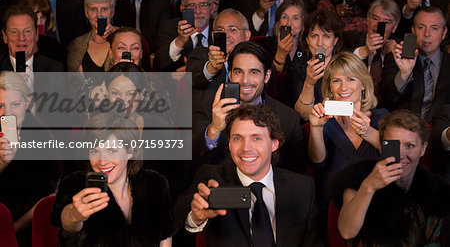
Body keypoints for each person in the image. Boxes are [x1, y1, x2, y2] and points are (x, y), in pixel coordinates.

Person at [175, 104, 323, 247]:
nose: (246, 148)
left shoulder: (302, 188)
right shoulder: (213, 178)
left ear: (274, 144)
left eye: (256, 138)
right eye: (237, 138)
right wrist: (196, 218)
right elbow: (177, 219)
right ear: (230, 145)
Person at [328, 109, 450, 246]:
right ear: (381, 145)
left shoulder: (436, 193)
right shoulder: (356, 178)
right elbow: (347, 231)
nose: (401, 154)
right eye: (393, 145)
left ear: (423, 149)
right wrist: (368, 187)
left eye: (409, 146)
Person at [51, 112, 174, 246]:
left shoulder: (154, 184)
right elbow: (66, 220)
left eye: (112, 151)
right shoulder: (75, 184)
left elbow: (165, 236)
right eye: (94, 151)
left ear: (130, 151)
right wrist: (75, 215)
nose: (102, 162)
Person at [193, 41, 307, 175]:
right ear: (229, 75)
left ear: (267, 76)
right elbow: (192, 166)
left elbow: (297, 177)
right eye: (238, 72)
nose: (245, 80)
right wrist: (214, 130)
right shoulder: (210, 109)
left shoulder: (289, 119)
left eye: (253, 72)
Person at [308, 52, 388, 210]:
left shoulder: (382, 117)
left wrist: (368, 133)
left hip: (377, 203)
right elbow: (317, 161)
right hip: (334, 204)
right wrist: (316, 128)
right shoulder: (325, 119)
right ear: (330, 87)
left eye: (351, 79)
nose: (343, 87)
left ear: (363, 84)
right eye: (336, 81)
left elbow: (395, 157)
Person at [0, 71, 62, 246]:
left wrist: (11, 230)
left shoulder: (42, 136)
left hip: (28, 229)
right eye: (0, 106)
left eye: (15, 104)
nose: (7, 113)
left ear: (27, 102)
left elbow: (48, 198)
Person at [380, 6, 450, 122]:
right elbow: (385, 101)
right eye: (421, 27)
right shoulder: (396, 58)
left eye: (434, 28)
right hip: (403, 130)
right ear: (413, 31)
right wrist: (404, 74)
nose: (427, 34)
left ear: (444, 33)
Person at [187, 8, 251, 114]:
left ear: (247, 35)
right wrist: (211, 68)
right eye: (220, 31)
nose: (226, 35)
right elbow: (193, 77)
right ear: (213, 36)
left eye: (233, 29)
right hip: (208, 122)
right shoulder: (200, 54)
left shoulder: (256, 60)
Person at [291, 9, 342, 120]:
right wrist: (309, 83)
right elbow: (303, 115)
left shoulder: (345, 65)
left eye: (326, 36)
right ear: (307, 40)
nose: (320, 43)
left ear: (335, 40)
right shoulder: (298, 67)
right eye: (314, 36)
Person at [155, 0, 215, 71]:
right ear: (182, 9)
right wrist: (180, 41)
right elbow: (158, 63)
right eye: (192, 5)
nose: (197, 11)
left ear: (212, 9)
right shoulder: (169, 27)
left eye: (203, 5)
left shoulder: (220, 28)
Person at [353, 0, 400, 97]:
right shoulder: (351, 40)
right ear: (368, 19)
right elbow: (342, 67)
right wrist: (365, 50)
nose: (378, 26)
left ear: (394, 27)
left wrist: (398, 56)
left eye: (386, 22)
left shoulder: (399, 48)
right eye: (375, 19)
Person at [66, 0, 116, 73]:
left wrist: (117, 35)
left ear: (112, 12)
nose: (99, 15)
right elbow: (72, 84)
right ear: (86, 13)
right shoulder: (76, 45)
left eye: (104, 9)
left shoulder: (125, 37)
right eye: (93, 9)